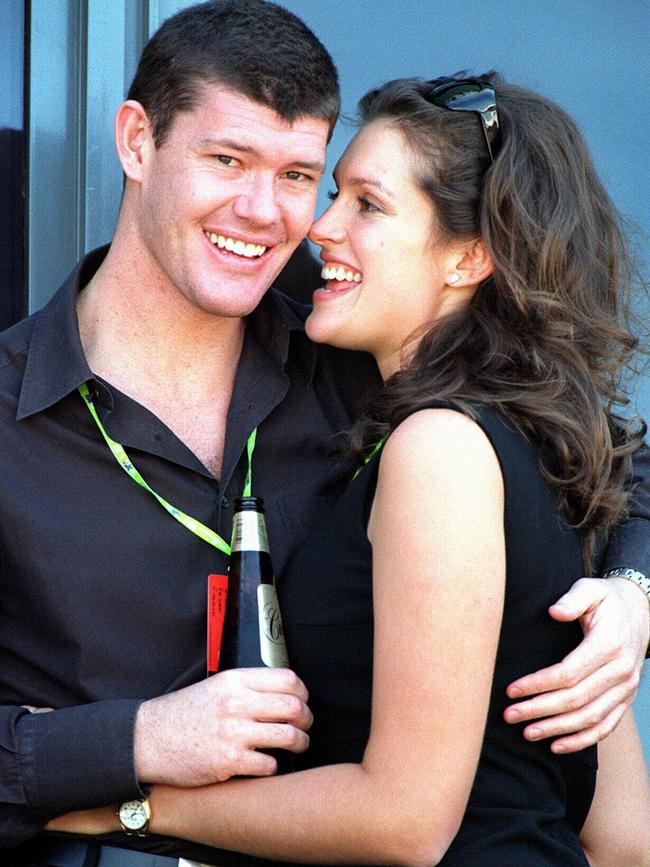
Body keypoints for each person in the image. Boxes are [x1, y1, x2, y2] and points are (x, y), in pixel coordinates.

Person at [1, 1, 648, 862]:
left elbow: (603, 458)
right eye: (226, 159)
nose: (271, 214)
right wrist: (136, 741)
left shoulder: (361, 349)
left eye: (302, 176)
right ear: (136, 142)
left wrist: (634, 590)